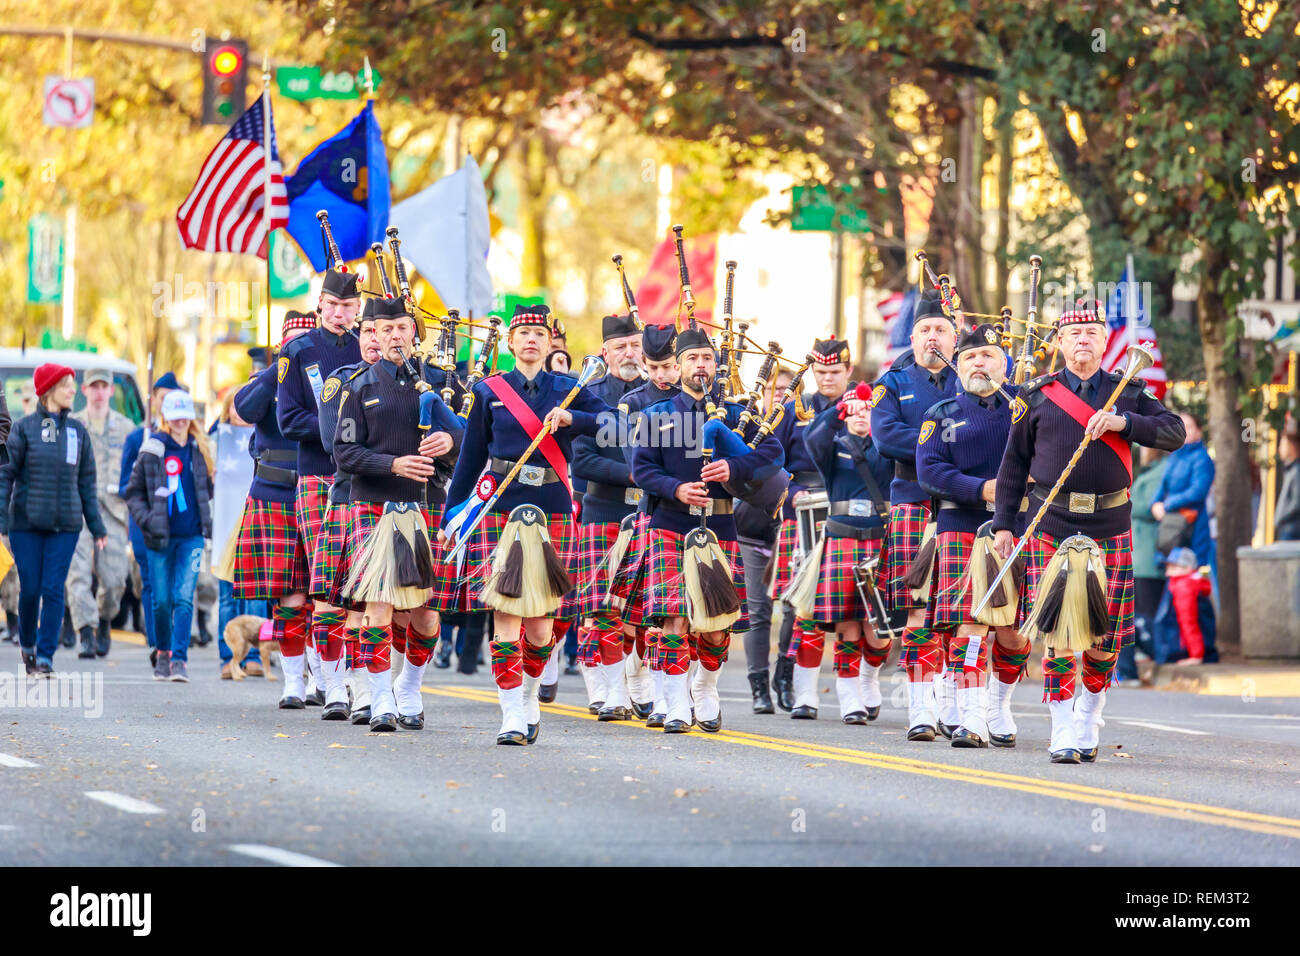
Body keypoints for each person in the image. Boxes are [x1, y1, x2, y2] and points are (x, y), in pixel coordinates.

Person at [993, 300, 1185, 763]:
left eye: (1093, 334)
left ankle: (1088, 714)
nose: (1083, 341)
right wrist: (1002, 524)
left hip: (1111, 524)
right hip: (1051, 522)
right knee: (1058, 631)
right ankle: (1062, 728)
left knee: (1105, 638)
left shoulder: (1129, 392)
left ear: (1104, 342)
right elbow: (1013, 466)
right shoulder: (1036, 396)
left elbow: (1174, 432)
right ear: (1059, 343)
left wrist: (1124, 423)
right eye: (1074, 334)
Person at [442, 303, 609, 745]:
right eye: (524, 333)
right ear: (511, 343)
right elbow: (470, 459)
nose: (532, 339)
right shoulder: (489, 390)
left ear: (550, 341)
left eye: (539, 332)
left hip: (552, 503)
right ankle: (511, 711)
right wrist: (452, 514)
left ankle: (531, 692)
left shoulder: (570, 388)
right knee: (507, 613)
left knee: (540, 627)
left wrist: (576, 419)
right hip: (501, 508)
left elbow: (618, 425)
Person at [629, 327, 784, 734]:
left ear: (716, 366)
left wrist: (735, 467)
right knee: (674, 619)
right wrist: (676, 488)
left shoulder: (735, 415)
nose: (701, 365)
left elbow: (773, 453)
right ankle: (677, 703)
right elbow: (641, 469)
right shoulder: (656, 416)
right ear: (677, 366)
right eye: (692, 358)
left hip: (719, 525)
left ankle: (705, 685)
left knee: (716, 627)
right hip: (670, 523)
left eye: (707, 358)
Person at [334, 298, 463, 731]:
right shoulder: (360, 386)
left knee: (426, 614)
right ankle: (381, 697)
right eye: (384, 328)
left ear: (414, 333)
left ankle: (409, 684)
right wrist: (391, 464)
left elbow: (469, 439)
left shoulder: (441, 383)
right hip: (374, 505)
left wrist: (449, 441)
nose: (393, 336)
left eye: (402, 328)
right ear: (373, 333)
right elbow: (344, 451)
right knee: (379, 605)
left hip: (426, 506)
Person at [916, 324, 1028, 746]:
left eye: (987, 356)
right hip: (962, 525)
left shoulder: (1026, 407)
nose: (978, 363)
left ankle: (999, 704)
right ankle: (973, 717)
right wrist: (982, 488)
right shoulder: (942, 414)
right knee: (970, 626)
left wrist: (1019, 488)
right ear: (958, 367)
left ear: (1006, 363)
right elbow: (930, 472)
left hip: (1019, 525)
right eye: (969, 357)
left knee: (1014, 631)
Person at [869, 292, 959, 738]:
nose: (932, 337)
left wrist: (926, 439)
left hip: (962, 507)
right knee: (919, 608)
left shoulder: (973, 380)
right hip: (914, 502)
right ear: (913, 337)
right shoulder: (893, 382)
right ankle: (922, 709)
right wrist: (949, 444)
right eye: (924, 330)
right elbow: (886, 437)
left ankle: (954, 703)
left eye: (941, 329)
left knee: (958, 607)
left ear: (954, 336)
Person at [277, 267, 364, 705]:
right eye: (332, 305)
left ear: (357, 308)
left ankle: (347, 678)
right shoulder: (298, 350)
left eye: (347, 306)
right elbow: (288, 419)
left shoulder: (366, 349)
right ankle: (329, 684)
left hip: (362, 475)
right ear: (320, 306)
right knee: (326, 580)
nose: (339, 313)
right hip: (317, 475)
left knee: (356, 582)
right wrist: (338, 430)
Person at [230, 311, 318, 698]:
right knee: (289, 595)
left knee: (323, 596)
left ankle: (324, 677)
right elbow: (244, 410)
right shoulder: (267, 383)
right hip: (275, 495)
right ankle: (293, 682)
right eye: (291, 343)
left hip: (319, 493)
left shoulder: (325, 381)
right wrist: (275, 370)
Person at [569, 315, 650, 720]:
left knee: (639, 608)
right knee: (600, 607)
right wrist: (636, 474)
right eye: (620, 347)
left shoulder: (656, 393)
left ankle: (634, 680)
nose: (629, 353)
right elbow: (581, 461)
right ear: (605, 351)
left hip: (646, 512)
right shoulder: (591, 394)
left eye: (635, 345)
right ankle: (601, 685)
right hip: (603, 509)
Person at [772, 337, 856, 720]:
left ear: (848, 371)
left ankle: (855, 688)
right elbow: (773, 459)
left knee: (849, 603)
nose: (826, 379)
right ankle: (787, 675)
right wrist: (791, 490)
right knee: (797, 603)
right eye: (820, 372)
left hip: (848, 509)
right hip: (802, 510)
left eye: (834, 372)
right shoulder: (796, 407)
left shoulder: (861, 405)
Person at [0, 364, 101, 676]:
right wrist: (2, 521)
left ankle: (45, 656)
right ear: (48, 390)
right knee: (30, 589)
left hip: (66, 526)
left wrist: (96, 526)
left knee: (54, 588)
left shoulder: (78, 431)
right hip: (25, 524)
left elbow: (87, 482)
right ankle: (28, 645)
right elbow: (6, 474)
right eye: (67, 385)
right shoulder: (23, 428)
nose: (73, 390)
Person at [801, 383, 893, 724]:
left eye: (867, 410)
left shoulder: (886, 446)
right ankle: (848, 692)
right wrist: (834, 413)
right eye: (854, 410)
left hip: (880, 538)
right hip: (842, 537)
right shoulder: (833, 447)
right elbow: (813, 439)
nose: (860, 416)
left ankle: (869, 675)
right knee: (847, 621)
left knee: (878, 629)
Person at [603, 324, 681, 725]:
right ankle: (634, 674)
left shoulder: (703, 403)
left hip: (694, 518)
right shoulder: (632, 405)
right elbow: (639, 463)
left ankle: (674, 694)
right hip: (650, 514)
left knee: (677, 613)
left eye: (669, 366)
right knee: (636, 610)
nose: (662, 376)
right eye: (655, 367)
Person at [314, 304, 384, 720]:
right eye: (369, 329)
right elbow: (331, 441)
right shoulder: (341, 382)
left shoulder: (415, 383)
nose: (376, 338)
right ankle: (333, 684)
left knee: (365, 603)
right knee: (330, 600)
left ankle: (362, 688)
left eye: (384, 329)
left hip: (390, 501)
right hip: (346, 496)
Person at [124, 390, 215, 682]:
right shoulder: (153, 449)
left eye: (184, 416)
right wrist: (147, 520)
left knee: (184, 597)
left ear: (190, 418)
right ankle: (162, 651)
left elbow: (207, 490)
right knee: (161, 600)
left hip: (191, 537)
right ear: (166, 418)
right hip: (159, 537)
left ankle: (179, 659)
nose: (179, 422)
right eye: (174, 416)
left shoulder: (199, 449)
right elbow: (133, 491)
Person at [65, 369, 134, 659]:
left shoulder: (127, 427)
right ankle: (85, 632)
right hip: (79, 508)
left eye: (104, 386)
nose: (98, 391)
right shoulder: (72, 424)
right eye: (94, 386)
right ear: (84, 389)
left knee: (116, 578)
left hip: (114, 511)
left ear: (110, 391)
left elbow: (136, 469)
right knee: (77, 573)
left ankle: (105, 620)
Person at [737, 366, 794, 712]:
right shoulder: (746, 426)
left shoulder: (799, 425)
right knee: (758, 610)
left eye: (786, 390)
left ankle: (783, 676)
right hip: (750, 530)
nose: (779, 395)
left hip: (789, 531)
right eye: (774, 390)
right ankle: (759, 686)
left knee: (791, 609)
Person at [121, 371, 182, 658]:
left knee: (173, 583)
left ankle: (170, 638)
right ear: (154, 402)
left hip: (178, 520)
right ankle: (157, 641)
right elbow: (125, 485)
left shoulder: (186, 438)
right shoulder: (137, 438)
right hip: (146, 520)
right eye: (162, 398)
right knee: (150, 580)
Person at [1119, 445, 1169, 683]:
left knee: (1144, 617)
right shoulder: (1149, 471)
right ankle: (1135, 663)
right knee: (1135, 614)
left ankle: (1156, 656)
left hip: (1148, 556)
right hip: (1139, 554)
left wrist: (1122, 501)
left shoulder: (1161, 471)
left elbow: (1147, 505)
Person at [1151, 411, 1215, 569]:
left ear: (1199, 431)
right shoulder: (1174, 456)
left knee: (1189, 577)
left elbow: (1198, 491)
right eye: (1181, 427)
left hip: (1192, 526)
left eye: (1189, 427)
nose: (1185, 431)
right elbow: (1163, 486)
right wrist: (1155, 504)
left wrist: (1166, 505)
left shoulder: (1202, 458)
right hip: (1171, 525)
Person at [1275, 427, 1300, 540]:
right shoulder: (1291, 470)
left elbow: (1297, 501)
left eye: (1282, 444)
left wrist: (1281, 516)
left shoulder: (1296, 470)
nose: (1279, 448)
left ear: (1291, 446)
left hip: (1291, 529)